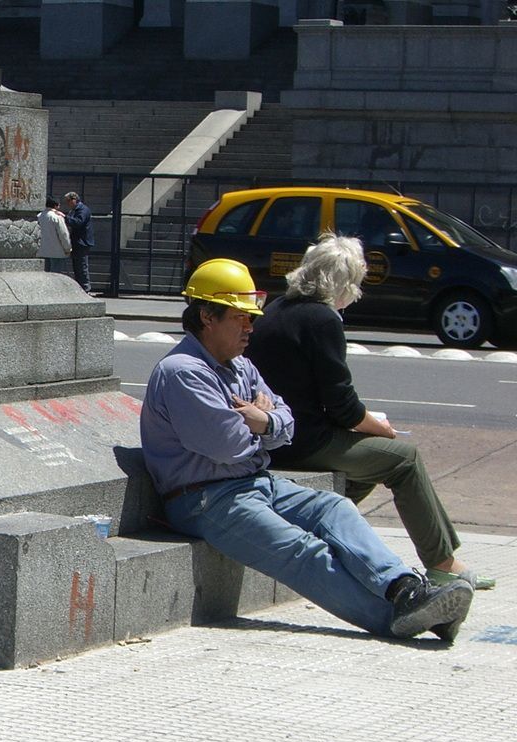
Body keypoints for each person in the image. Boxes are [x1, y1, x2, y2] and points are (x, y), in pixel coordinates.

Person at [139, 258, 473, 642]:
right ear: (206, 317)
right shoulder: (184, 372)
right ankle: (399, 618)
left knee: (334, 508)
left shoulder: (240, 366)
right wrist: (264, 426)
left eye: (251, 318)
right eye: (240, 317)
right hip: (204, 499)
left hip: (252, 482)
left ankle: (405, 589)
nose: (250, 327)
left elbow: (288, 422)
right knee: (303, 550)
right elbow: (228, 446)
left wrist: (263, 422)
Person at [245, 233, 495, 591]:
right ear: (344, 283)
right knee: (403, 459)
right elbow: (342, 404)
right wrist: (379, 427)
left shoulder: (277, 309)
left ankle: (317, 526)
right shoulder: (323, 319)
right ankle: (443, 563)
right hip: (303, 440)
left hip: (276, 433)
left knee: (371, 466)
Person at [63, 191, 94, 292]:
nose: (67, 204)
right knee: (77, 267)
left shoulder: (83, 210)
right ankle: (80, 287)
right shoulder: (73, 210)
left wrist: (65, 218)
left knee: (82, 266)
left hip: (82, 242)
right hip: (76, 242)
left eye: (68, 201)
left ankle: (85, 288)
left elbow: (78, 222)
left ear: (74, 200)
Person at [37, 197, 72, 275]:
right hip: (56, 252)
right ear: (56, 206)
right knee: (55, 275)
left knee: (44, 275)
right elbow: (63, 234)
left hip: (42, 251)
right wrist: (67, 248)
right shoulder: (57, 217)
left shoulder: (39, 216)